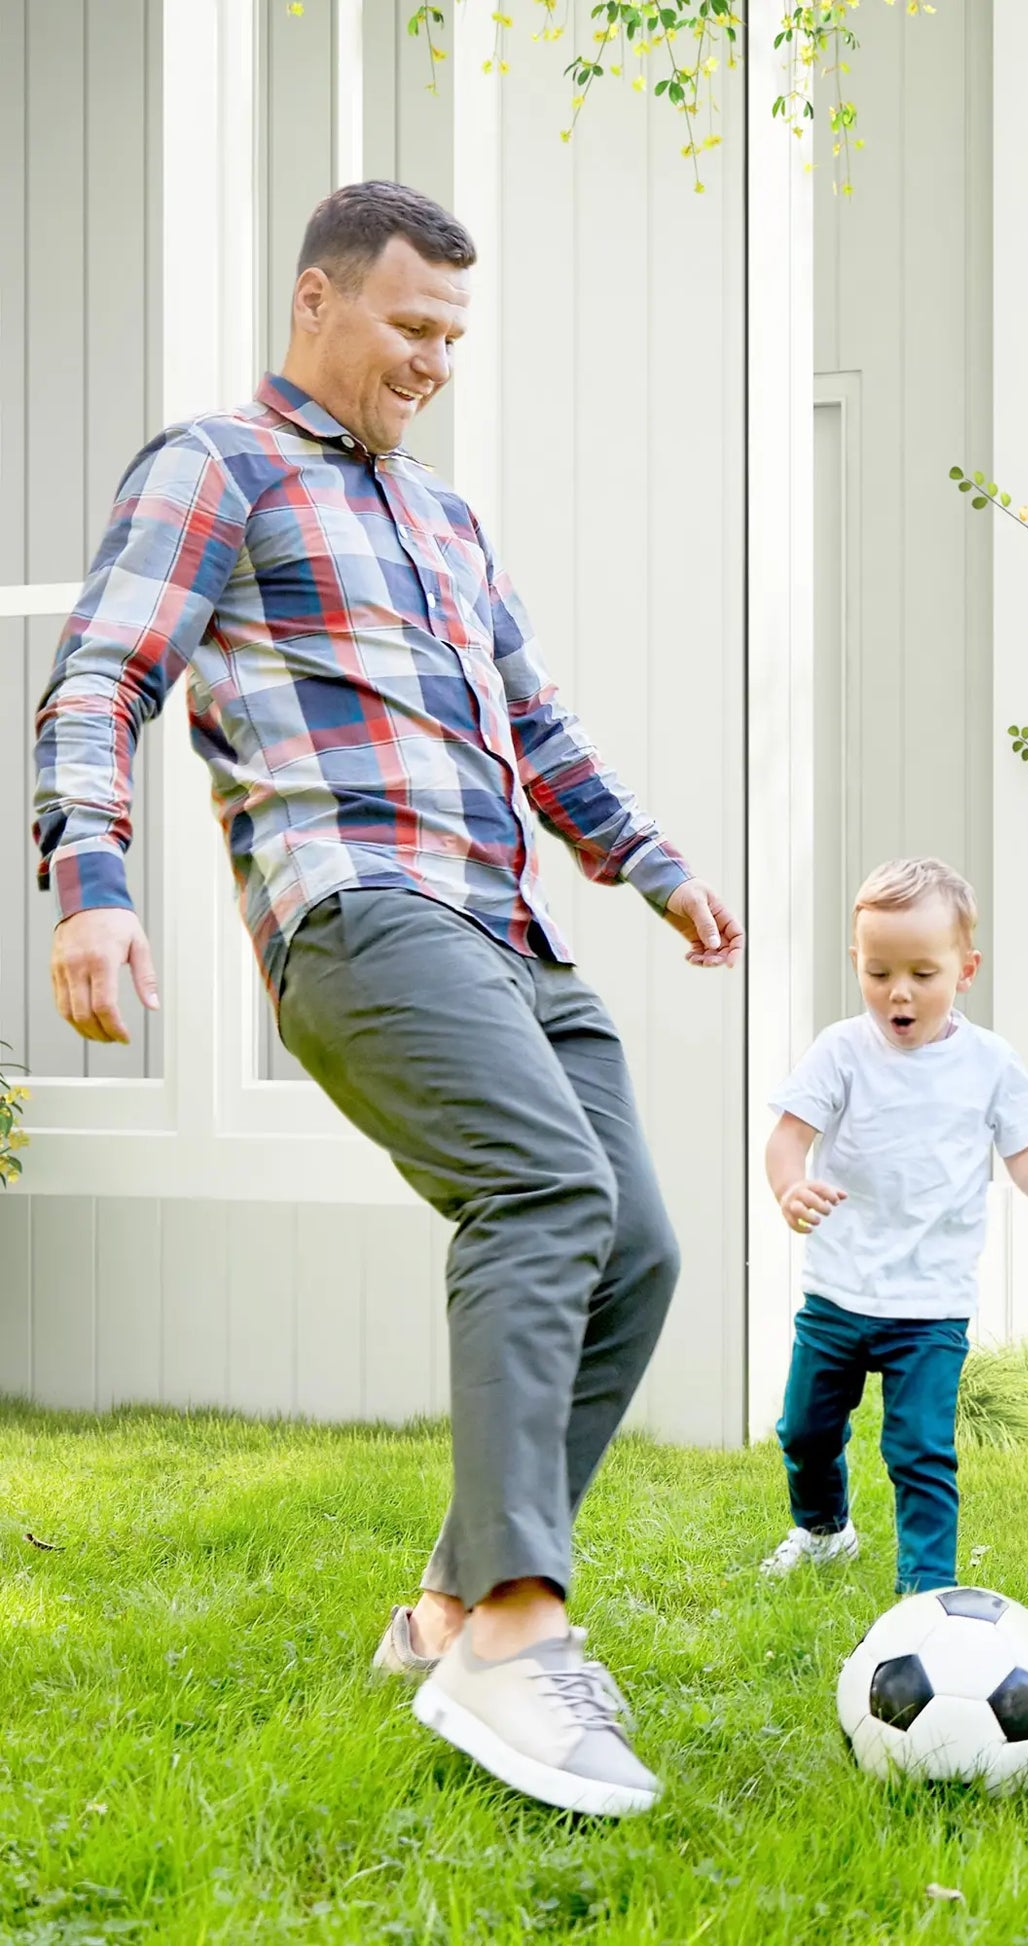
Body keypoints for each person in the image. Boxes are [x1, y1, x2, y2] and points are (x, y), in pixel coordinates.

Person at [32, 180, 741, 1819]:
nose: (433, 360)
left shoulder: (447, 522)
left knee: (633, 1248)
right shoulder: (217, 468)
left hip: (508, 930)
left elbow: (535, 725)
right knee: (541, 1189)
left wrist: (650, 864)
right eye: (410, 325)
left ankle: (438, 1613)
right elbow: (101, 676)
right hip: (358, 908)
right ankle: (515, 1633)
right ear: (317, 300)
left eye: (451, 337)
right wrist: (92, 886)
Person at [760, 858, 1028, 1595]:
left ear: (965, 970)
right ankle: (823, 1532)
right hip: (838, 1291)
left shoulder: (988, 1062)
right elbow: (787, 1139)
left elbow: (1026, 1152)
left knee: (920, 1448)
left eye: (921, 974)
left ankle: (927, 1590)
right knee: (804, 1430)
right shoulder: (841, 1050)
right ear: (856, 962)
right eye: (878, 973)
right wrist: (790, 1188)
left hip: (931, 1303)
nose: (897, 992)